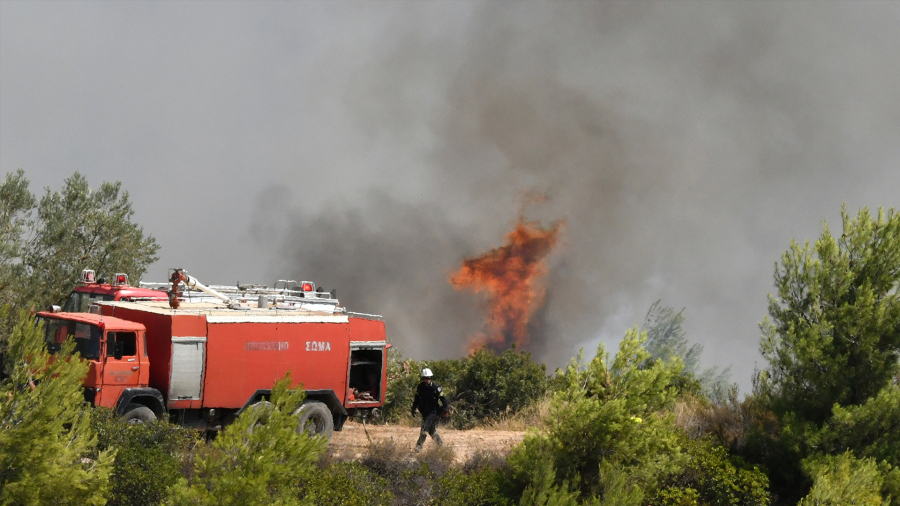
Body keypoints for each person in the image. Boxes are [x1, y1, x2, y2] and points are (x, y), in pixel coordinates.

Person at [410, 367, 448, 451]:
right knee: (431, 429)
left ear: (431, 378)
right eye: (425, 378)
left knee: (425, 426)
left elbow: (443, 398)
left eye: (429, 378)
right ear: (423, 378)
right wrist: (413, 408)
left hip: (433, 411)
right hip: (424, 410)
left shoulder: (436, 387)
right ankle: (440, 445)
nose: (427, 380)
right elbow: (416, 399)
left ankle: (419, 445)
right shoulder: (420, 387)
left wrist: (445, 409)